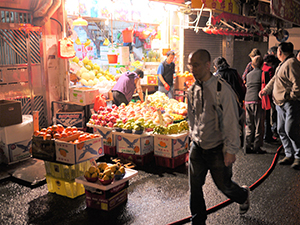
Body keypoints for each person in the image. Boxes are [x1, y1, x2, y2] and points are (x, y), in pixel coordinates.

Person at [187, 49, 250, 225]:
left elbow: (231, 122)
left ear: (208, 65)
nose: (193, 69)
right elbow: (192, 118)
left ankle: (243, 195)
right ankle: (198, 221)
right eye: (191, 65)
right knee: (195, 188)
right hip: (197, 148)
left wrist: (231, 150)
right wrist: (192, 139)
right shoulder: (191, 91)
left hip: (218, 149)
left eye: (197, 65)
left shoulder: (223, 90)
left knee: (224, 186)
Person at [259, 42, 300, 170]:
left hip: (289, 103)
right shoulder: (282, 64)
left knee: (291, 130)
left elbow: (297, 83)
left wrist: (291, 96)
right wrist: (265, 90)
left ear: (280, 52)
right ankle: (289, 154)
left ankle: (298, 156)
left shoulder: (292, 63)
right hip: (279, 103)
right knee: (281, 130)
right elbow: (275, 80)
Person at [244, 56, 267, 154]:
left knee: (249, 124)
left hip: (247, 100)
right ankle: (257, 147)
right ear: (262, 64)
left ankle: (247, 146)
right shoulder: (263, 74)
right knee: (259, 125)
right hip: (258, 101)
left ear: (252, 65)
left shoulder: (248, 75)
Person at [262, 54, 276, 143]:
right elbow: (271, 82)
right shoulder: (269, 69)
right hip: (267, 96)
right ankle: (268, 135)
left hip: (259, 95)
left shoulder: (260, 67)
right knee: (268, 116)